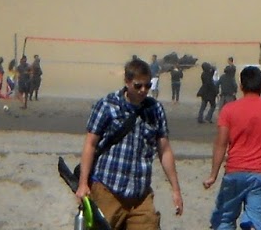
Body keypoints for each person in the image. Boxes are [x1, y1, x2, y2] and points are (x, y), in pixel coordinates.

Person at [75, 57, 184, 230]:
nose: (143, 90)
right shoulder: (107, 106)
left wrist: (176, 189)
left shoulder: (155, 110)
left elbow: (164, 150)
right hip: (108, 189)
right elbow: (90, 144)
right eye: (138, 85)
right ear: (127, 82)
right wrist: (82, 184)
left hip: (140, 195)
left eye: (147, 86)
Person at [204, 65, 261, 230]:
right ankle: (251, 224)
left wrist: (213, 175)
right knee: (257, 221)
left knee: (225, 219)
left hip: (235, 172)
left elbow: (221, 143)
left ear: (241, 86)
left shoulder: (229, 110)